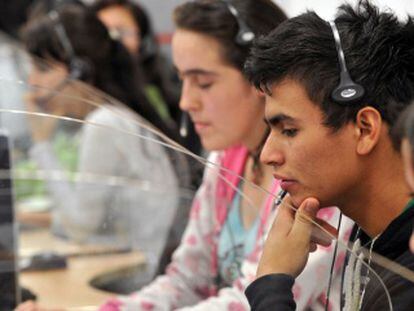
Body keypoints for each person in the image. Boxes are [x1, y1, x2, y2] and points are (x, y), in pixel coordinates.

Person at [15, 1, 350, 310]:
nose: (186, 102)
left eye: (203, 83)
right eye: (182, 81)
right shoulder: (225, 159)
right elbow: (185, 280)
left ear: (262, 79)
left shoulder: (310, 172)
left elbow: (250, 301)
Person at [243, 1, 414, 310]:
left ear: (364, 129)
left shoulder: (407, 279)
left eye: (289, 130)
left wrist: (271, 282)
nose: (268, 155)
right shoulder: (371, 239)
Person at [21, 3, 184, 281]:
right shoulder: (114, 117)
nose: (32, 81)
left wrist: (41, 142)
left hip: (132, 279)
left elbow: (80, 225)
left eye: (43, 68)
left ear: (79, 70)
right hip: (123, 266)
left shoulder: (105, 124)